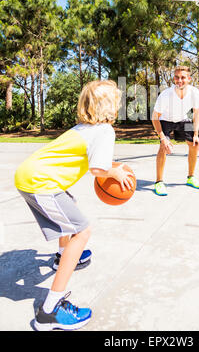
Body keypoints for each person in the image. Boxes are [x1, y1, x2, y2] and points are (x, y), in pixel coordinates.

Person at [14, 80, 134, 331]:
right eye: (117, 99)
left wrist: (114, 166)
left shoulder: (83, 128)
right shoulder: (104, 131)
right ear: (109, 106)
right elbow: (98, 169)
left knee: (71, 205)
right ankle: (50, 312)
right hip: (41, 182)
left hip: (32, 176)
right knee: (83, 230)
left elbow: (96, 157)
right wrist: (116, 174)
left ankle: (62, 257)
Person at [151, 66, 199, 196]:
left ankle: (191, 177)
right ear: (173, 78)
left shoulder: (194, 92)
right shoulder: (166, 95)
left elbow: (197, 113)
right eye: (177, 77)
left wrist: (196, 135)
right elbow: (154, 117)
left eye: (183, 77)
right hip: (165, 120)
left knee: (194, 144)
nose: (179, 80)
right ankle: (159, 182)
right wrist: (163, 138)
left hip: (183, 119)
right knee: (163, 147)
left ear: (189, 79)